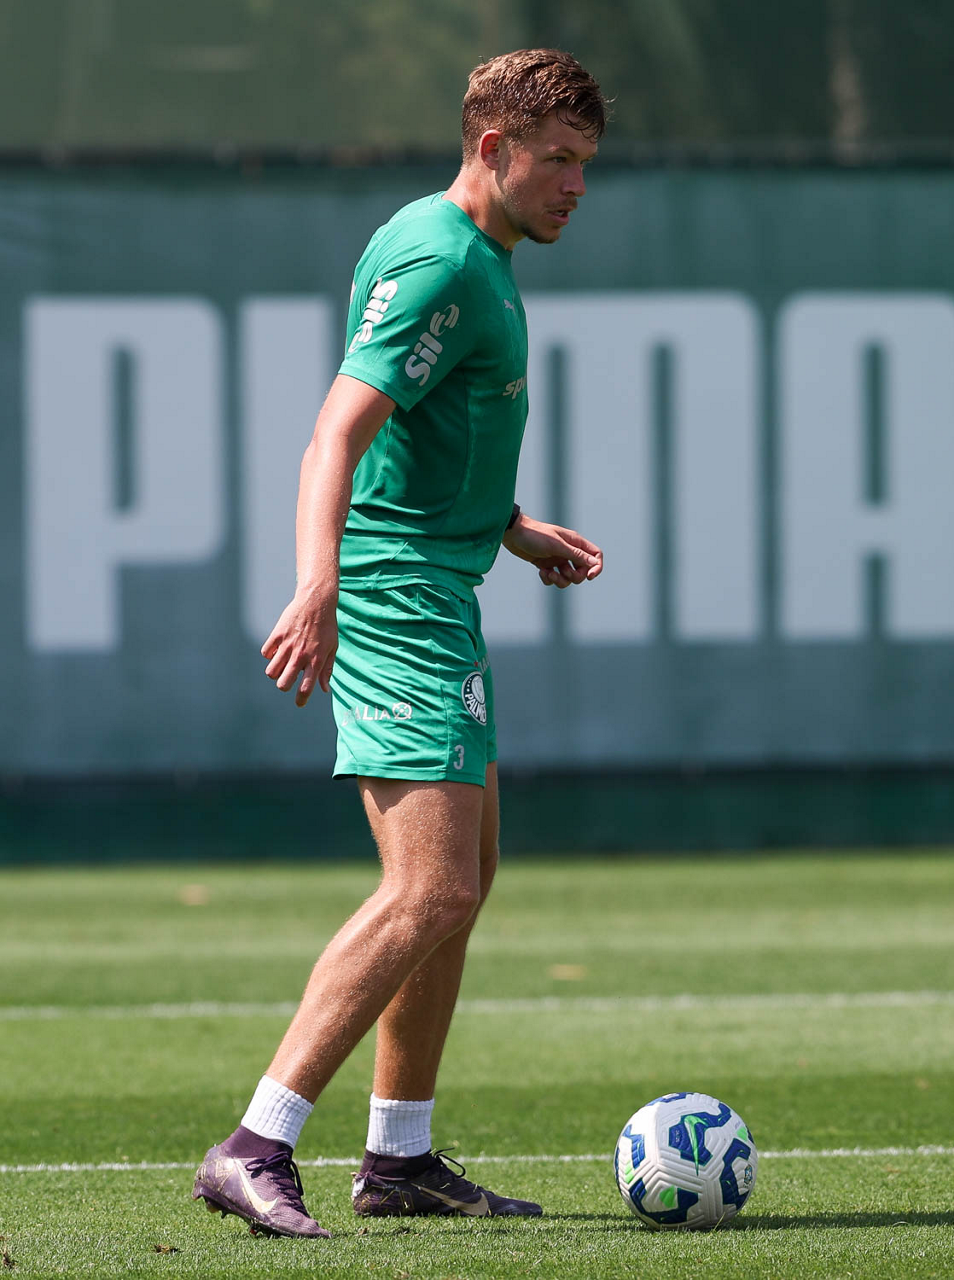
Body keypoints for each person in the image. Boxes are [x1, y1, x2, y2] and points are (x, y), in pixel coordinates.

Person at [193, 48, 608, 1239]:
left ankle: (399, 1157)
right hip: (395, 595)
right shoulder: (443, 259)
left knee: (461, 884)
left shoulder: (473, 249)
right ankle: (254, 1141)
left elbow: (419, 431)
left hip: (440, 584)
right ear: (492, 147)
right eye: (558, 161)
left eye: (585, 163)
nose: (576, 186)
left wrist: (510, 528)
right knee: (429, 885)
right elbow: (337, 432)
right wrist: (318, 583)